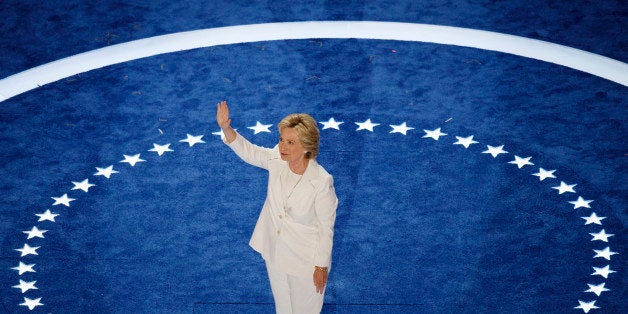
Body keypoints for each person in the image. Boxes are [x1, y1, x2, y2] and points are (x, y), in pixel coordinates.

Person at [216, 100, 338, 314]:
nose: (283, 146)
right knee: (283, 309)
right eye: (282, 139)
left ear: (307, 146)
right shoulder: (277, 159)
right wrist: (226, 128)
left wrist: (321, 266)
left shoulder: (321, 182)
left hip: (305, 262)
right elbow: (250, 152)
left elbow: (326, 229)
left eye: (291, 142)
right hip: (275, 252)